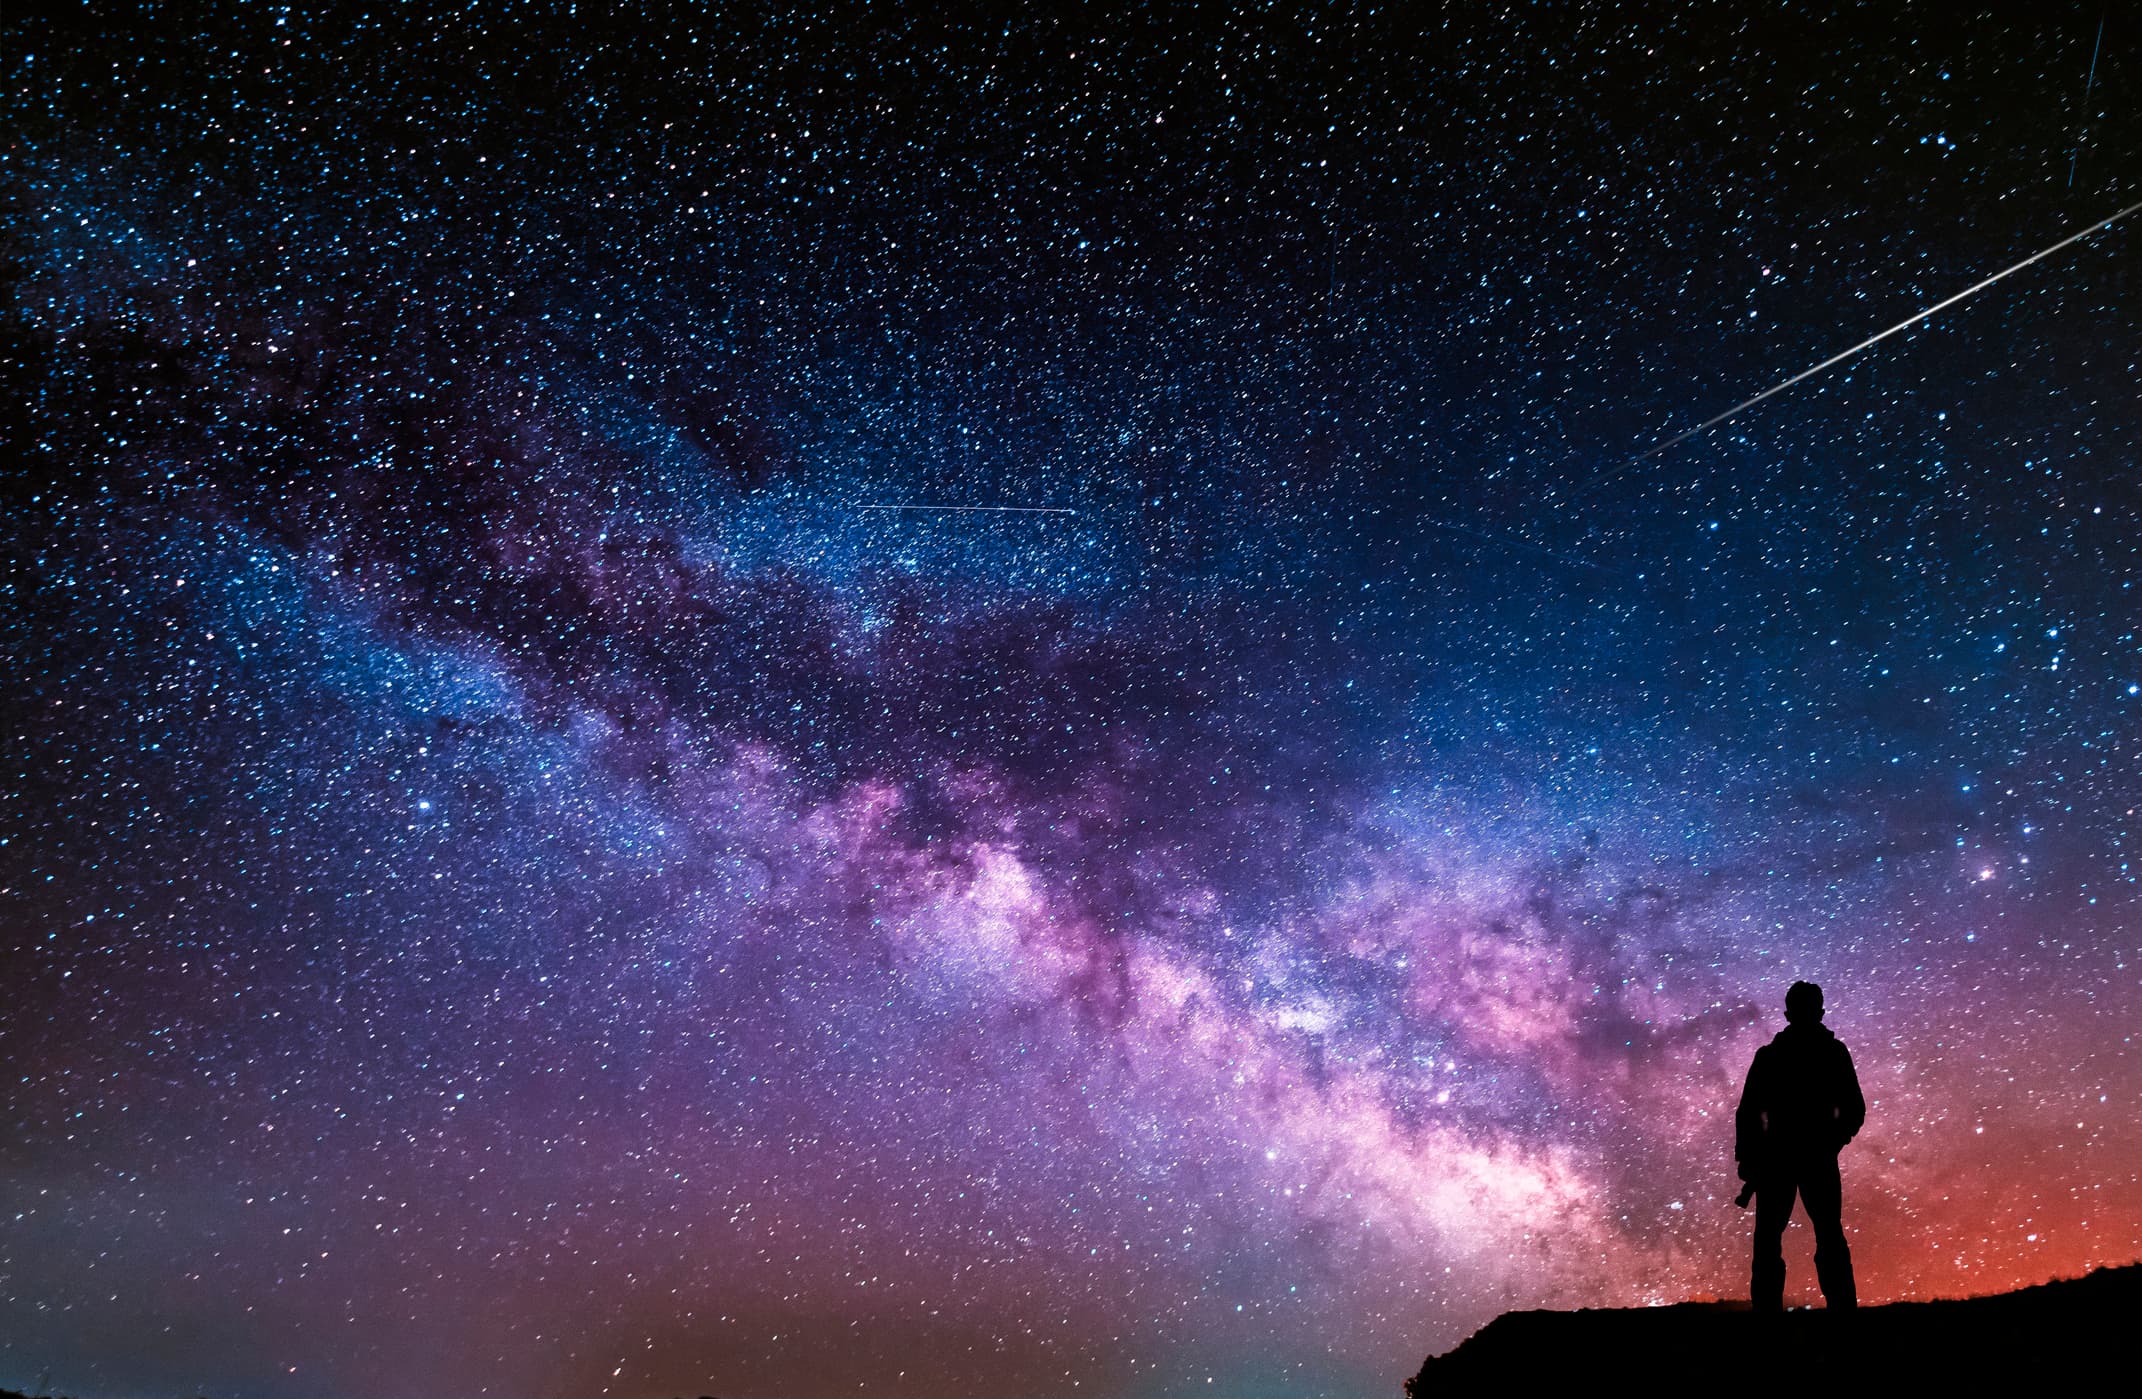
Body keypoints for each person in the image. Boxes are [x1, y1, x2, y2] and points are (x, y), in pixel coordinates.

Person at [1734, 980, 1865, 1312]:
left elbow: (1748, 1113)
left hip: (1785, 1160)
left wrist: (1749, 1158)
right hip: (1809, 1159)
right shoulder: (1831, 1053)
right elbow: (1854, 1110)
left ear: (1787, 1013)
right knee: (1825, 1238)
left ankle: (1770, 1317)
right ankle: (1843, 1313)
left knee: (1775, 1242)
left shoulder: (1771, 1057)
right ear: (1819, 1012)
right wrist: (1832, 1141)